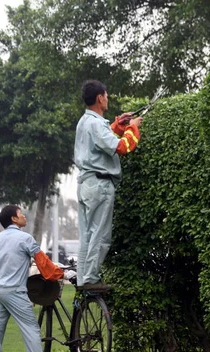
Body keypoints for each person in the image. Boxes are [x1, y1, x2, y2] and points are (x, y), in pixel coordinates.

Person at [0, 205, 72, 352]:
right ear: (14, 219)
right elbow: (45, 266)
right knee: (31, 329)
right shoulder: (25, 238)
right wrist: (64, 274)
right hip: (14, 292)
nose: (24, 216)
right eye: (21, 214)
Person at [74, 80, 143, 290]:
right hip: (100, 185)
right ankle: (91, 279)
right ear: (99, 98)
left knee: (87, 234)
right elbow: (122, 147)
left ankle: (83, 278)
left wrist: (117, 125)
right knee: (100, 233)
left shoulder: (85, 122)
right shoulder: (96, 124)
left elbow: (102, 141)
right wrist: (133, 128)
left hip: (86, 183)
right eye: (107, 95)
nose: (108, 98)